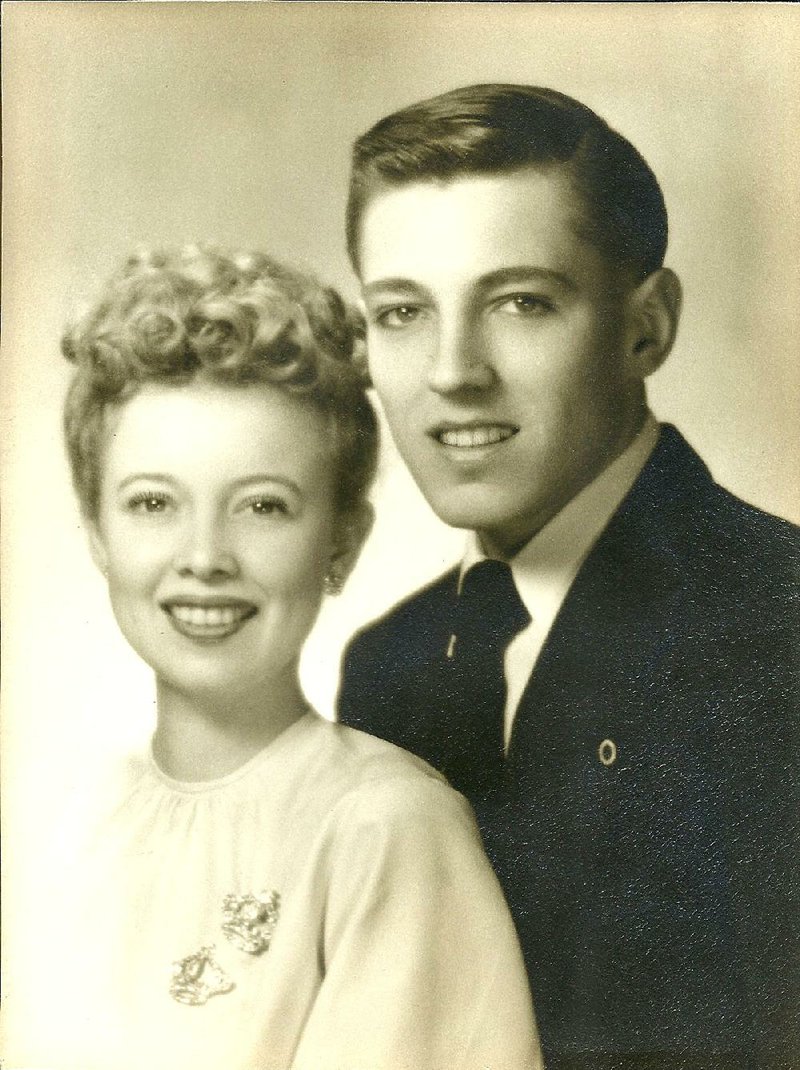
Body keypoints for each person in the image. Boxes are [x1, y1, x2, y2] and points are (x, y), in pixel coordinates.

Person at [337, 84, 800, 1069]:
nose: (452, 369)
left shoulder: (777, 619)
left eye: (518, 301)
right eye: (402, 312)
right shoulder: (389, 664)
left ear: (645, 326)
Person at [2, 247, 542, 1070]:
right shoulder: (65, 822)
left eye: (262, 506)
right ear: (98, 537)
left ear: (341, 542)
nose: (205, 556)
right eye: (153, 503)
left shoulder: (385, 828)